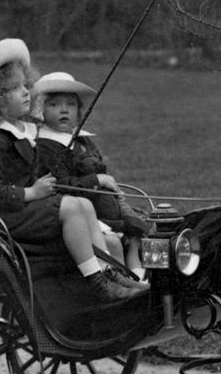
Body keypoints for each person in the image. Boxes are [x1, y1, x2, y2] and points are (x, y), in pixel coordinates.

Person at [0, 39, 143, 302]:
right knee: (73, 207)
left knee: (82, 204)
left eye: (25, 86)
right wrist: (33, 192)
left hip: (18, 208)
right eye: (14, 89)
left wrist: (43, 189)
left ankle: (109, 270)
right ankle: (97, 281)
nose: (26, 92)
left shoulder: (22, 131)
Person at [32, 71, 151, 279]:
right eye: (54, 105)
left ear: (79, 111)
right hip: (82, 214)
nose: (63, 110)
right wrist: (96, 181)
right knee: (113, 242)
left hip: (108, 209)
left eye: (70, 104)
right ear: (41, 110)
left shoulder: (83, 141)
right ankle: (122, 285)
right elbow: (58, 184)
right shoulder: (46, 146)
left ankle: (142, 282)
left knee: (138, 236)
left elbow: (101, 172)